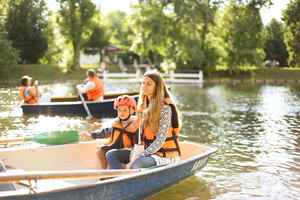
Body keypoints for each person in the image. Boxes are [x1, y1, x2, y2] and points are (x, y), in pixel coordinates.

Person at [129, 70, 181, 169]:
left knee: (137, 163)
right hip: (149, 152)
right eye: (143, 83)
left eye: (149, 84)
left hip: (165, 156)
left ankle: (127, 179)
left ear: (157, 87)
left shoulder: (165, 108)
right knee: (112, 154)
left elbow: (160, 140)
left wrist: (141, 155)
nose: (144, 86)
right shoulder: (143, 106)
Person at [81, 95, 139, 169]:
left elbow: (139, 142)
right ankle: (104, 171)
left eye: (125, 110)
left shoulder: (135, 124)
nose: (122, 113)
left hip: (130, 151)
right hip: (118, 148)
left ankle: (117, 174)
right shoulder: (117, 123)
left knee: (111, 154)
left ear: (132, 110)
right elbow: (106, 132)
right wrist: (91, 135)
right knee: (100, 150)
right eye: (119, 110)